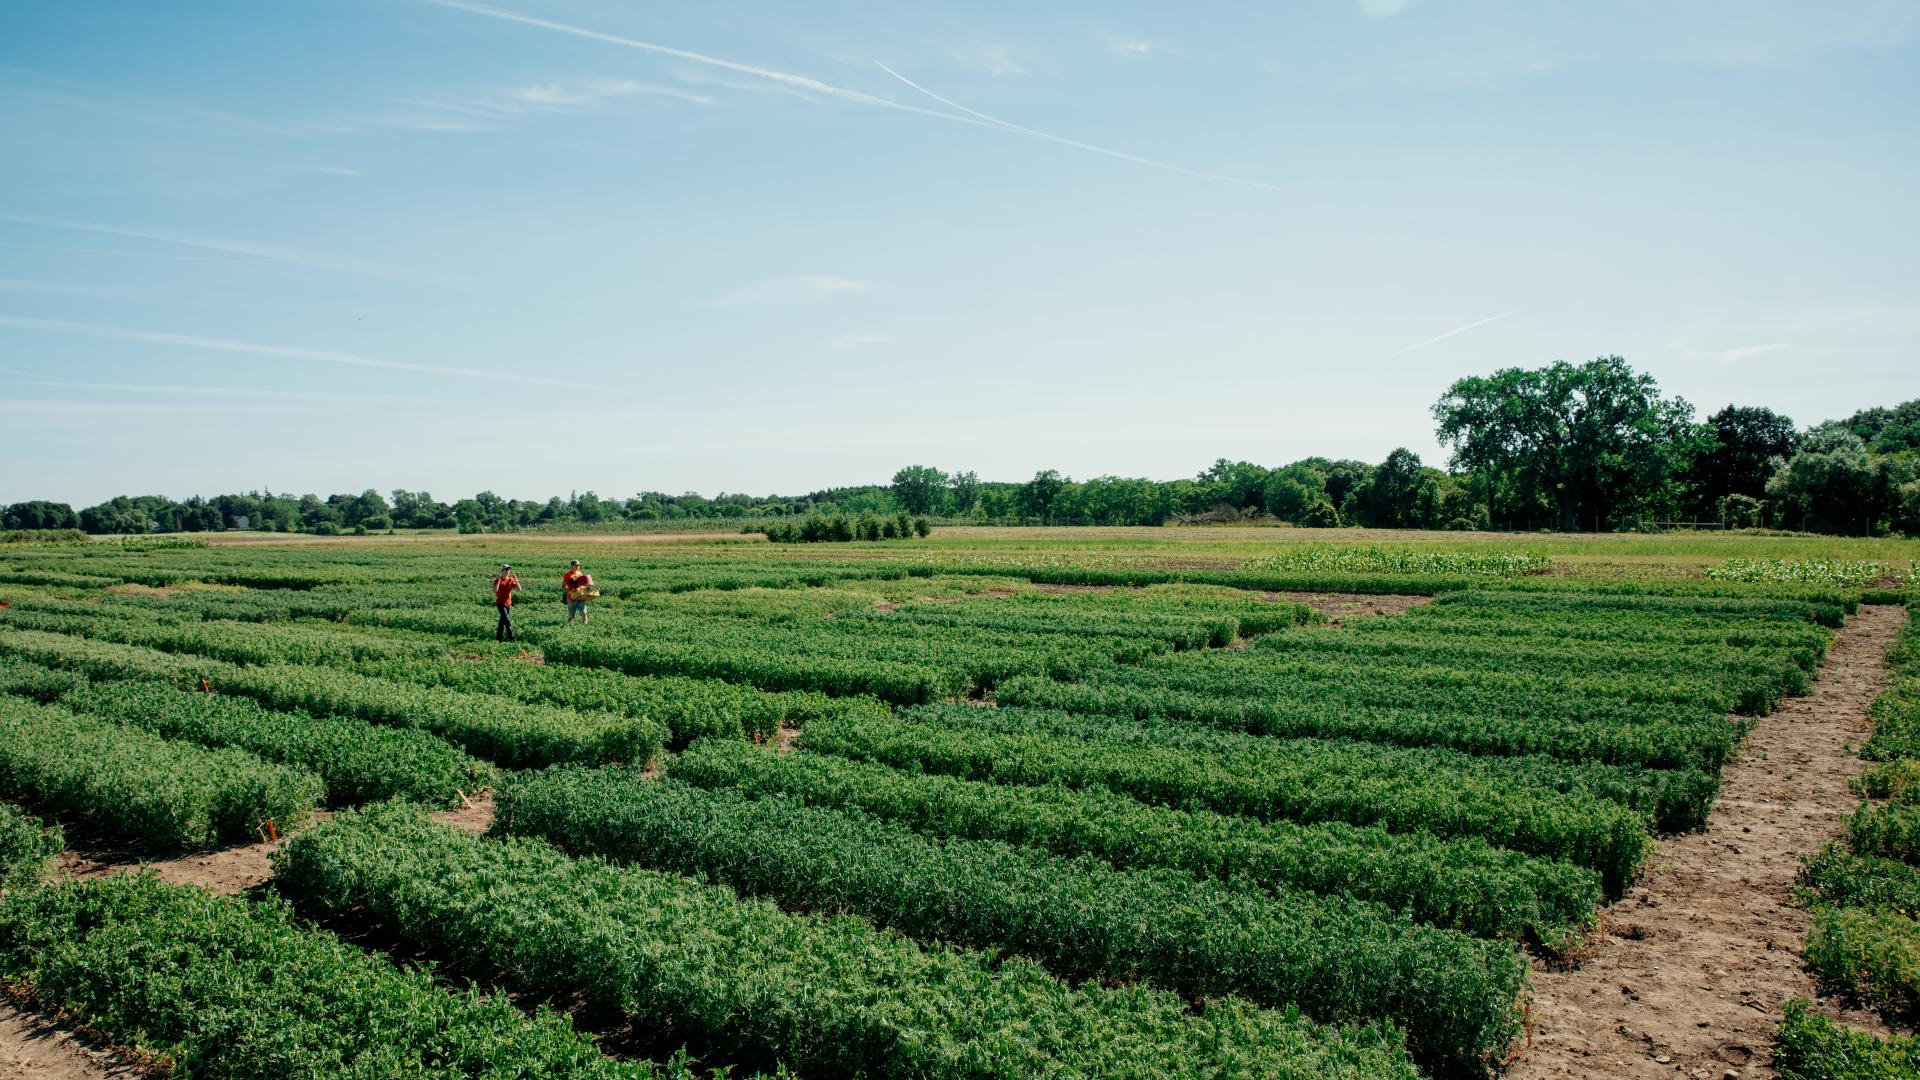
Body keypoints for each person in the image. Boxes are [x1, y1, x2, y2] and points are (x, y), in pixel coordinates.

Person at [492, 564, 520, 641]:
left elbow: (519, 589)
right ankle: (512, 639)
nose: (508, 571)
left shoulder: (510, 580)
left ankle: (498, 638)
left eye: (508, 569)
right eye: (506, 569)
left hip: (508, 603)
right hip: (500, 603)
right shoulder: (498, 580)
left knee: (502, 621)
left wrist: (516, 580)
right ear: (502, 571)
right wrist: (498, 580)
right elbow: (495, 590)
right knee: (507, 620)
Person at [562, 559, 594, 624]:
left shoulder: (580, 573)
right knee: (571, 616)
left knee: (584, 613)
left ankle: (585, 626)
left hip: (580, 596)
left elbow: (583, 584)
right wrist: (570, 590)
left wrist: (588, 589)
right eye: (576, 565)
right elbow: (563, 587)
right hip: (571, 597)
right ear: (572, 566)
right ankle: (568, 626)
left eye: (579, 565)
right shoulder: (567, 575)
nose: (578, 567)